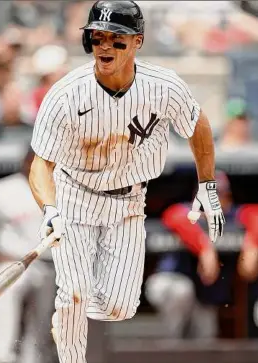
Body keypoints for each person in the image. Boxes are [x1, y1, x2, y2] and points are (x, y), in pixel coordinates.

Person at [28, 1, 225, 362]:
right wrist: (51, 209)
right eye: (97, 37)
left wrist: (207, 185)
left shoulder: (163, 86)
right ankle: (69, 326)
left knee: (119, 307)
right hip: (75, 195)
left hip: (128, 202)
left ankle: (70, 311)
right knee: (73, 293)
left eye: (116, 39)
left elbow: (198, 125)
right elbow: (41, 164)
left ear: (138, 42)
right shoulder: (66, 94)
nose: (105, 46)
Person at [146, 171, 258, 339]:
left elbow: (254, 213)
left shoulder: (233, 216)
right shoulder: (186, 213)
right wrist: (204, 248)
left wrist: (252, 244)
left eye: (219, 195)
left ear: (228, 198)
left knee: (206, 338)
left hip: (205, 301)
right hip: (171, 286)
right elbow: (174, 215)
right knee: (180, 291)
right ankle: (169, 343)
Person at [0, 148, 56, 363]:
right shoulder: (2, 189)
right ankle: (1, 357)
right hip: (13, 263)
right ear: (25, 161)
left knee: (41, 331)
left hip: (48, 265)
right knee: (5, 321)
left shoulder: (59, 189)